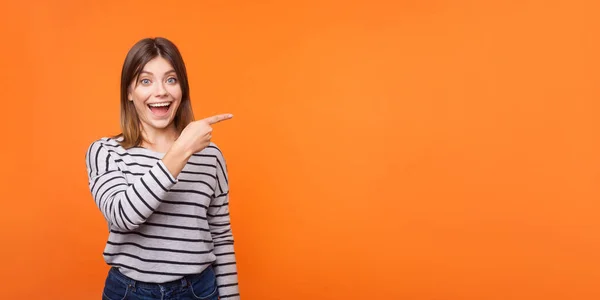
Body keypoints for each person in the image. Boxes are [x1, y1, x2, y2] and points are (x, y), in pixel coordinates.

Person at [85, 37, 240, 300]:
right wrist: (181, 151)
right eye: (146, 81)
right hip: (130, 292)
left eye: (171, 79)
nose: (161, 92)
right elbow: (124, 217)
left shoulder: (211, 156)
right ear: (129, 93)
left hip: (199, 291)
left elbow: (221, 237)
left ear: (182, 89)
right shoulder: (106, 151)